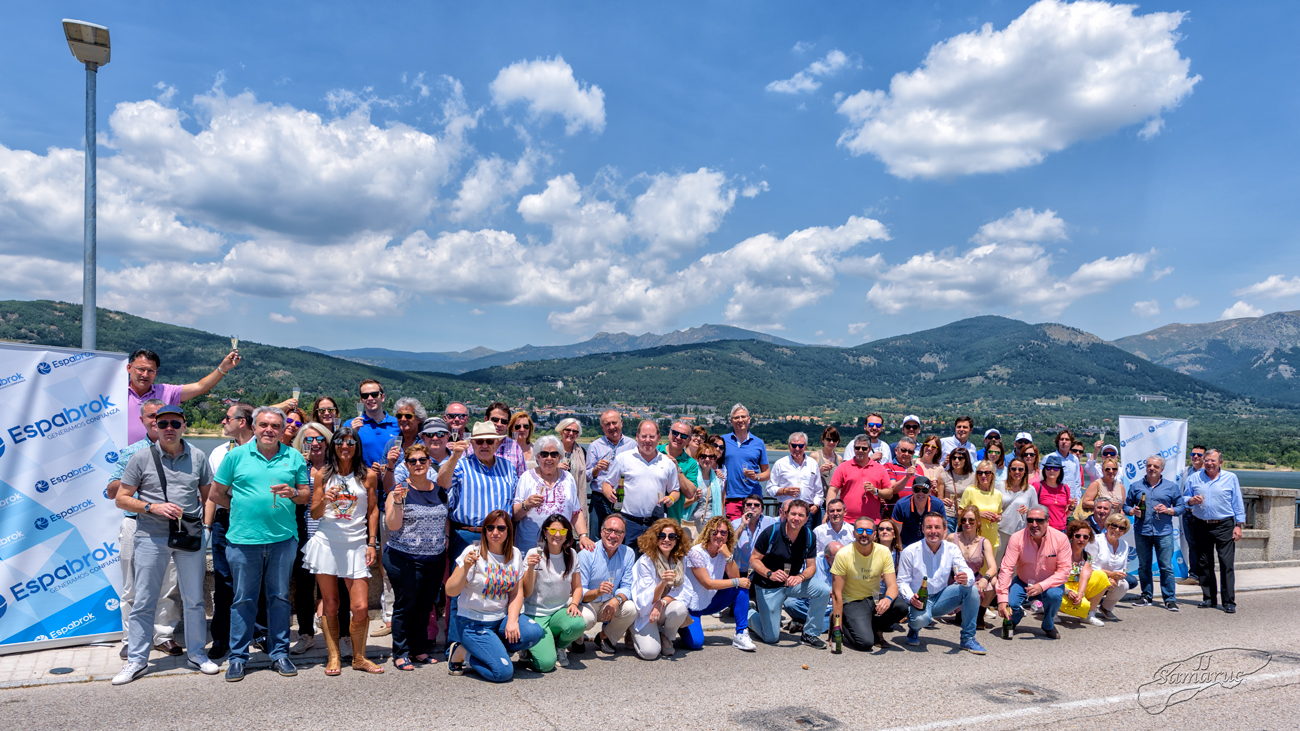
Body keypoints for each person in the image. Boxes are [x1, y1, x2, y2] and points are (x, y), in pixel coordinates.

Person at [111, 406, 217, 685]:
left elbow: (209, 497)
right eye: (163, 423)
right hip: (151, 536)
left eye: (175, 423)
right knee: (144, 600)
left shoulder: (198, 456)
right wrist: (151, 507)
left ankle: (197, 654)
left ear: (184, 425)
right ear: (155, 427)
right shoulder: (140, 457)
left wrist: (206, 527)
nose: (169, 428)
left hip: (188, 536)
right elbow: (121, 498)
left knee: (194, 600)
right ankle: (137, 660)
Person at [209, 406, 312, 681]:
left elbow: (305, 495)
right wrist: (241, 508)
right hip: (243, 540)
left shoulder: (293, 457)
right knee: (243, 600)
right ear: (253, 427)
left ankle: (279, 653)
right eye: (264, 425)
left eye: (275, 426)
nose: (269, 430)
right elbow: (216, 494)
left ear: (282, 429)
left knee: (279, 598)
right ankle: (238, 657)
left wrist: (293, 492)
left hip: (282, 540)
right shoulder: (235, 456)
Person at [106, 398, 183, 660]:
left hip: (169, 525)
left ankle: (163, 636)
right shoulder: (132, 453)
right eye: (152, 416)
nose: (158, 422)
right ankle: (132, 639)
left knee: (168, 584)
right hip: (136, 522)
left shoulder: (184, 450)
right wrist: (135, 474)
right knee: (132, 586)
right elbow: (111, 492)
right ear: (143, 420)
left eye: (165, 417)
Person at [303, 426, 384, 675]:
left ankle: (359, 657)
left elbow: (372, 510)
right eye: (339, 442)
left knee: (360, 606)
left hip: (356, 543)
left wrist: (372, 542)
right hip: (327, 542)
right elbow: (314, 513)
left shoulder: (368, 475)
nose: (345, 447)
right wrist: (325, 500)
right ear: (333, 446)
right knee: (330, 602)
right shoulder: (323, 475)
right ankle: (334, 656)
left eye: (350, 442)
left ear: (357, 446)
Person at [439, 422, 519, 651]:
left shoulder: (508, 467)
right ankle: (456, 645)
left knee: (497, 586)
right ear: (471, 443)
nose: (484, 445)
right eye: (479, 441)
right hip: (468, 533)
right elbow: (442, 483)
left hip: (499, 536)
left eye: (489, 441)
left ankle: (489, 641)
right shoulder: (460, 464)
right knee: (460, 590)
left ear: (497, 443)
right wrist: (455, 456)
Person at [445, 509, 544, 682]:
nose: (495, 532)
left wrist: (512, 620)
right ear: (484, 531)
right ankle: (461, 653)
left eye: (501, 528)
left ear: (508, 531)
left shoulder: (514, 554)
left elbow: (517, 592)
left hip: (500, 620)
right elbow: (451, 590)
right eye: (490, 528)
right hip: (473, 623)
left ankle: (494, 649)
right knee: (502, 673)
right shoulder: (473, 552)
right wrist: (465, 568)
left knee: (534, 632)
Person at [383, 442, 450, 670]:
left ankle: (419, 649)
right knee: (406, 604)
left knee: (426, 605)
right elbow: (393, 525)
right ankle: (401, 652)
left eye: (422, 460)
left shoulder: (439, 489)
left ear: (429, 462)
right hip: (404, 558)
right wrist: (398, 502)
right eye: (413, 461)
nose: (418, 464)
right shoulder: (400, 490)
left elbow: (445, 517)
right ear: (406, 465)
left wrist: (445, 539)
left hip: (434, 558)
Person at [203, 401, 255, 660]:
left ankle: (259, 633)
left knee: (257, 579)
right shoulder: (218, 452)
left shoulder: (264, 449)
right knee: (224, 582)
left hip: (256, 522)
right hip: (225, 521)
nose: (223, 422)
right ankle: (221, 637)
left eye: (227, 418)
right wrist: (207, 527)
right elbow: (212, 494)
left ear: (242, 422)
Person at [896, 512, 984, 654]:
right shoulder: (910, 551)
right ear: (923, 529)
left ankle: (968, 639)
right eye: (929, 527)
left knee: (972, 589)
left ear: (945, 529)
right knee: (921, 619)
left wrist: (966, 577)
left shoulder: (952, 549)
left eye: (937, 527)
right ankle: (914, 629)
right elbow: (902, 582)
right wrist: (911, 597)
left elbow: (966, 571)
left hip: (942, 598)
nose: (933, 531)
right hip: (919, 599)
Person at [747, 500, 830, 647]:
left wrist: (800, 577)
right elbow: (754, 560)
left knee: (823, 590)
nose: (796, 518)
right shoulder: (771, 532)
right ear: (786, 514)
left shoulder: (809, 536)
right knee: (770, 637)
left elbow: (811, 567)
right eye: (793, 514)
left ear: (806, 518)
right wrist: (769, 573)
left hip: (791, 583)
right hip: (768, 585)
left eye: (801, 515)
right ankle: (749, 614)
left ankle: (810, 634)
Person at [124, 347, 240, 444]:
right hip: (120, 458)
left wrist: (223, 368)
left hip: (160, 458)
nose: (145, 374)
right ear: (129, 368)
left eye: (150, 371)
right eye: (141, 369)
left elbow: (201, 387)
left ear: (156, 373)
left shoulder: (167, 391)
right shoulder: (116, 393)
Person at [294, 421, 339, 655]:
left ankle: (337, 635)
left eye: (320, 439)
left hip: (331, 532)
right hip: (303, 533)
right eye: (309, 439)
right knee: (303, 587)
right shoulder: (296, 466)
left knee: (333, 588)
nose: (314, 443)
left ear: (327, 442)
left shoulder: (336, 467)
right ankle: (306, 634)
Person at [680, 516, 756, 652]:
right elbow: (708, 583)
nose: (719, 535)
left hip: (711, 601)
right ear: (708, 533)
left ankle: (741, 633)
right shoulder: (696, 552)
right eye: (714, 532)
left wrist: (728, 556)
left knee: (741, 589)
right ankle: (681, 626)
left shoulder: (723, 552)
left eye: (723, 532)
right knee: (696, 643)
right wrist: (737, 581)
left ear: (728, 535)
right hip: (691, 605)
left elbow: (735, 577)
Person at [521, 514, 586, 671]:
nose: (557, 535)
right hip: (536, 613)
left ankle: (559, 647)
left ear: (567, 534)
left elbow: (578, 587)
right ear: (545, 532)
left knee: (578, 623)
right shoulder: (534, 553)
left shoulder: (571, 554)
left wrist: (574, 604)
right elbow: (526, 592)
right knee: (546, 665)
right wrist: (531, 568)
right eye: (552, 530)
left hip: (558, 612)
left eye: (562, 531)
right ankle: (530, 646)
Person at [830, 517, 906, 651]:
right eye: (860, 530)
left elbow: (893, 586)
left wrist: (888, 599)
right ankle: (843, 623)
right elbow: (837, 594)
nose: (864, 534)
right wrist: (837, 628)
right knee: (865, 643)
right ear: (854, 533)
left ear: (874, 534)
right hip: (852, 602)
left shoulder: (883, 552)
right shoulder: (843, 554)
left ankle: (876, 628)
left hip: (873, 599)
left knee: (901, 606)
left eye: (869, 531)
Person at [602, 420, 680, 548]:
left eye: (652, 436)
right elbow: (607, 483)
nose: (647, 440)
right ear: (637, 437)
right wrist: (608, 492)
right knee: (626, 558)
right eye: (644, 436)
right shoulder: (623, 458)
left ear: (658, 438)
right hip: (628, 522)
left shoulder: (668, 463)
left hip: (655, 523)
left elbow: (675, 491)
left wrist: (671, 498)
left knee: (652, 559)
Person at [1185, 450, 1245, 614]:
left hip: (1224, 525)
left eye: (1213, 460)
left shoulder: (1230, 478)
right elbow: (1184, 498)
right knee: (1204, 563)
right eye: (1207, 460)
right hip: (1201, 524)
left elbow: (1237, 501)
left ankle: (1228, 601)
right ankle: (1209, 598)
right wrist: (1191, 500)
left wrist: (1239, 525)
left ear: (1220, 462)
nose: (1209, 463)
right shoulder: (1194, 478)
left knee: (1226, 563)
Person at [996, 507, 1070, 639]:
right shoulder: (1016, 538)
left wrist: (1042, 585)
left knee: (1054, 595)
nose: (1034, 524)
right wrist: (1002, 599)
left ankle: (1048, 624)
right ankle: (1015, 617)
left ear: (1047, 521)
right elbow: (1006, 568)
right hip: (1023, 581)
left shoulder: (1061, 538)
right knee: (1010, 603)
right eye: (1030, 520)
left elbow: (1064, 571)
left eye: (1039, 520)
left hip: (1049, 584)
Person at [1123, 455, 1185, 611]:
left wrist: (1168, 510)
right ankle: (1146, 596)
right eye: (1149, 465)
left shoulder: (1171, 487)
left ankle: (1169, 599)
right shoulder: (1136, 486)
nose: (1152, 468)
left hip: (1163, 532)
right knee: (1144, 566)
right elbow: (1126, 506)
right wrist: (1132, 511)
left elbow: (1181, 507)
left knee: (1166, 567)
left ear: (1162, 469)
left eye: (1155, 466)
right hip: (1142, 531)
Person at [514, 435, 591, 550]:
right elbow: (515, 516)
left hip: (560, 544)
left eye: (554, 454)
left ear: (560, 457)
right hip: (530, 545)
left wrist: (583, 536)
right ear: (537, 457)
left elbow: (576, 512)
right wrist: (526, 504)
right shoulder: (526, 477)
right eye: (544, 454)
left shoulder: (568, 478)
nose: (549, 458)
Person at [577, 514, 639, 655]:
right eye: (609, 530)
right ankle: (577, 639)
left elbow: (627, 586)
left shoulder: (628, 553)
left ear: (623, 536)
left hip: (609, 602)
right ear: (601, 532)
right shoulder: (587, 553)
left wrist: (617, 600)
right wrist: (597, 592)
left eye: (618, 532)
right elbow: (579, 591)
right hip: (588, 602)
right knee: (586, 619)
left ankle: (605, 637)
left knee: (631, 608)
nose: (612, 536)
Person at [630, 518, 692, 659]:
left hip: (661, 607)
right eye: (662, 536)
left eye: (672, 536)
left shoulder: (680, 560)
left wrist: (661, 602)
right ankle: (631, 631)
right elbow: (645, 596)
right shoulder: (646, 561)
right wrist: (663, 583)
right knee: (650, 653)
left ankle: (667, 637)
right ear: (655, 538)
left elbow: (684, 590)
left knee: (679, 609)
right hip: (646, 610)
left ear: (677, 540)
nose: (666, 540)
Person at [585, 409, 636, 539]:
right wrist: (596, 469)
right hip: (599, 501)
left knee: (622, 537)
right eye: (607, 424)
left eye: (614, 423)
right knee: (596, 539)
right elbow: (586, 476)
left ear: (621, 423)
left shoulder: (633, 445)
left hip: (625, 500)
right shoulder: (595, 446)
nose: (612, 427)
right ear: (602, 427)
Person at [948, 506, 998, 629]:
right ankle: (959, 610)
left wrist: (985, 578)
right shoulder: (952, 538)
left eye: (971, 520)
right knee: (962, 619)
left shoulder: (984, 542)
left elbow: (993, 567)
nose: (967, 523)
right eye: (963, 520)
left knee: (994, 581)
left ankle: (980, 614)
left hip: (975, 580)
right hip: (955, 581)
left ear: (978, 522)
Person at [722, 404, 770, 520]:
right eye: (736, 417)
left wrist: (756, 476)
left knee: (754, 529)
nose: (740, 420)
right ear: (731, 421)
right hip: (732, 496)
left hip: (753, 498)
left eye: (743, 417)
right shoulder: (723, 441)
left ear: (749, 419)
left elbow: (767, 473)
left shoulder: (758, 443)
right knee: (734, 529)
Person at [829, 438, 892, 524]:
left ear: (870, 449)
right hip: (846, 521)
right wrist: (829, 511)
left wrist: (875, 491)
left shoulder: (880, 468)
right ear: (853, 448)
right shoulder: (843, 467)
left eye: (864, 448)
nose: (860, 450)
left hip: (872, 521)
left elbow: (889, 493)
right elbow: (833, 490)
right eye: (857, 448)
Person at [1063, 519, 1111, 627]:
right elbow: (1053, 577)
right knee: (1082, 606)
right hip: (1062, 588)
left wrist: (1080, 593)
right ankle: (1049, 610)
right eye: (1078, 536)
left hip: (1076, 587)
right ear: (1071, 537)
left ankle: (1090, 614)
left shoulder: (1087, 556)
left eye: (1085, 537)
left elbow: (1084, 577)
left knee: (1101, 575)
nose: (1081, 539)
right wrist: (1067, 591)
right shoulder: (1062, 553)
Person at [1087, 513, 1133, 621]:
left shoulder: (1124, 544)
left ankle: (1106, 608)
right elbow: (1090, 565)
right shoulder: (1096, 540)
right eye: (1114, 526)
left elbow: (1122, 567)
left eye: (1121, 528)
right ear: (1108, 526)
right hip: (1094, 575)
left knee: (1124, 585)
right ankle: (1090, 610)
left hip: (1112, 577)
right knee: (1103, 579)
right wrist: (1110, 575)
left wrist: (1115, 578)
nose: (1117, 530)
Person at [767, 432, 823, 521]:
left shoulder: (813, 464)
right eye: (794, 445)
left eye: (800, 446)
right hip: (786, 512)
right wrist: (784, 491)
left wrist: (816, 505)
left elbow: (818, 490)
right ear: (789, 446)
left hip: (807, 512)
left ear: (805, 446)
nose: (797, 449)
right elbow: (769, 489)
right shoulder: (780, 464)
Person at [351, 379, 400, 477]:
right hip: (363, 480)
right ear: (361, 400)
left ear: (383, 397)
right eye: (365, 396)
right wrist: (352, 433)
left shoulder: (398, 424)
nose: (370, 398)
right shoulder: (351, 425)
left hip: (394, 480)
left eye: (374, 394)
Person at [658, 420, 701, 531]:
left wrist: (678, 470)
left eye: (683, 436)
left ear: (688, 440)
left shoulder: (691, 463)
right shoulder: (655, 451)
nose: (678, 437)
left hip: (672, 520)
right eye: (675, 433)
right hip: (647, 517)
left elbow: (690, 493)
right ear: (669, 433)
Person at [997, 458, 1041, 567]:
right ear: (1009, 470)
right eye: (1014, 469)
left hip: (1019, 532)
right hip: (1000, 530)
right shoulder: (999, 486)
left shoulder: (1030, 490)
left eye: (1020, 469)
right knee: (996, 562)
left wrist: (1028, 510)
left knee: (1015, 566)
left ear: (1025, 471)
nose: (1017, 472)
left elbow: (1036, 512)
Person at [959, 461, 1004, 553]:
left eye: (987, 473)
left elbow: (999, 514)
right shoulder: (970, 491)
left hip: (992, 538)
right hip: (973, 539)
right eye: (980, 473)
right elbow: (960, 512)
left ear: (992, 475)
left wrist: (998, 518)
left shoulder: (998, 494)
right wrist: (977, 514)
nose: (983, 476)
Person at [1179, 444, 1208, 586]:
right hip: (1188, 513)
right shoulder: (1186, 472)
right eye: (1193, 454)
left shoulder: (1208, 473)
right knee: (1192, 545)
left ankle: (1204, 575)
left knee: (1203, 545)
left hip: (1202, 515)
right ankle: (1194, 575)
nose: (1195, 457)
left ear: (1205, 457)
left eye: (1199, 455)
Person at [890, 475, 944, 547]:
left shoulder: (938, 504)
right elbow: (897, 533)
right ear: (912, 490)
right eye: (917, 490)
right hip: (905, 545)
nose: (920, 493)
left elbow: (943, 529)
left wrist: (936, 548)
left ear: (929, 491)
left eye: (924, 490)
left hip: (930, 545)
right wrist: (900, 550)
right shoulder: (901, 505)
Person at [732, 494, 777, 579]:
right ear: (743, 509)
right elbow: (730, 543)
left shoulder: (770, 522)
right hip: (740, 573)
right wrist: (743, 525)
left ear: (762, 511)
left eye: (756, 505)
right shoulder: (735, 524)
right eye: (749, 504)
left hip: (761, 572)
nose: (752, 507)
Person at [692, 443, 727, 535]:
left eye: (711, 457)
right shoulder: (691, 477)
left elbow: (720, 503)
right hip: (692, 525)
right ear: (697, 458)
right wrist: (695, 499)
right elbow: (682, 504)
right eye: (703, 456)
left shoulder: (718, 480)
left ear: (715, 459)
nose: (707, 459)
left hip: (711, 526)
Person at [1036, 453, 1076, 532]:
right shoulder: (1037, 486)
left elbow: (1066, 515)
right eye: (1048, 468)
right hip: (1044, 529)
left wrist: (1072, 506)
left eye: (1056, 468)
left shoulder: (1065, 488)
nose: (1052, 471)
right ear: (1044, 470)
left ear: (1060, 471)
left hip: (1062, 529)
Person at [485, 402, 527, 477]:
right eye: (495, 420)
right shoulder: (474, 445)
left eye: (504, 421)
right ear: (486, 419)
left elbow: (522, 479)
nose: (499, 424)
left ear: (508, 424)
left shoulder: (515, 447)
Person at [939, 448, 975, 532]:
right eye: (953, 458)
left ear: (966, 460)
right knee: (948, 539)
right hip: (948, 515)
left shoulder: (973, 477)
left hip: (966, 518)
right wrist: (943, 500)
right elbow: (939, 498)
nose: (956, 460)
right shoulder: (944, 476)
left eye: (960, 458)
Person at [556, 418, 588, 501]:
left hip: (576, 498)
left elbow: (587, 475)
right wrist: (556, 470)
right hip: (555, 497)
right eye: (568, 430)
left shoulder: (582, 452)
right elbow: (542, 472)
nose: (571, 433)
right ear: (561, 431)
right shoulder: (552, 450)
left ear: (577, 435)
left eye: (575, 431)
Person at [1051, 430, 1083, 499]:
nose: (1064, 441)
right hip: (1055, 498)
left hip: (1072, 499)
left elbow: (1077, 481)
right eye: (1061, 439)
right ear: (1058, 441)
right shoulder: (1049, 457)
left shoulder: (1075, 459)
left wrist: (1077, 498)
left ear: (1071, 442)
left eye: (1067, 439)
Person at [813, 427, 843, 499]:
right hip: (821, 499)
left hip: (836, 499)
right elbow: (807, 478)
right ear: (823, 439)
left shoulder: (839, 458)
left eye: (834, 440)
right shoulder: (815, 456)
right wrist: (819, 470)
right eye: (828, 439)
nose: (831, 442)